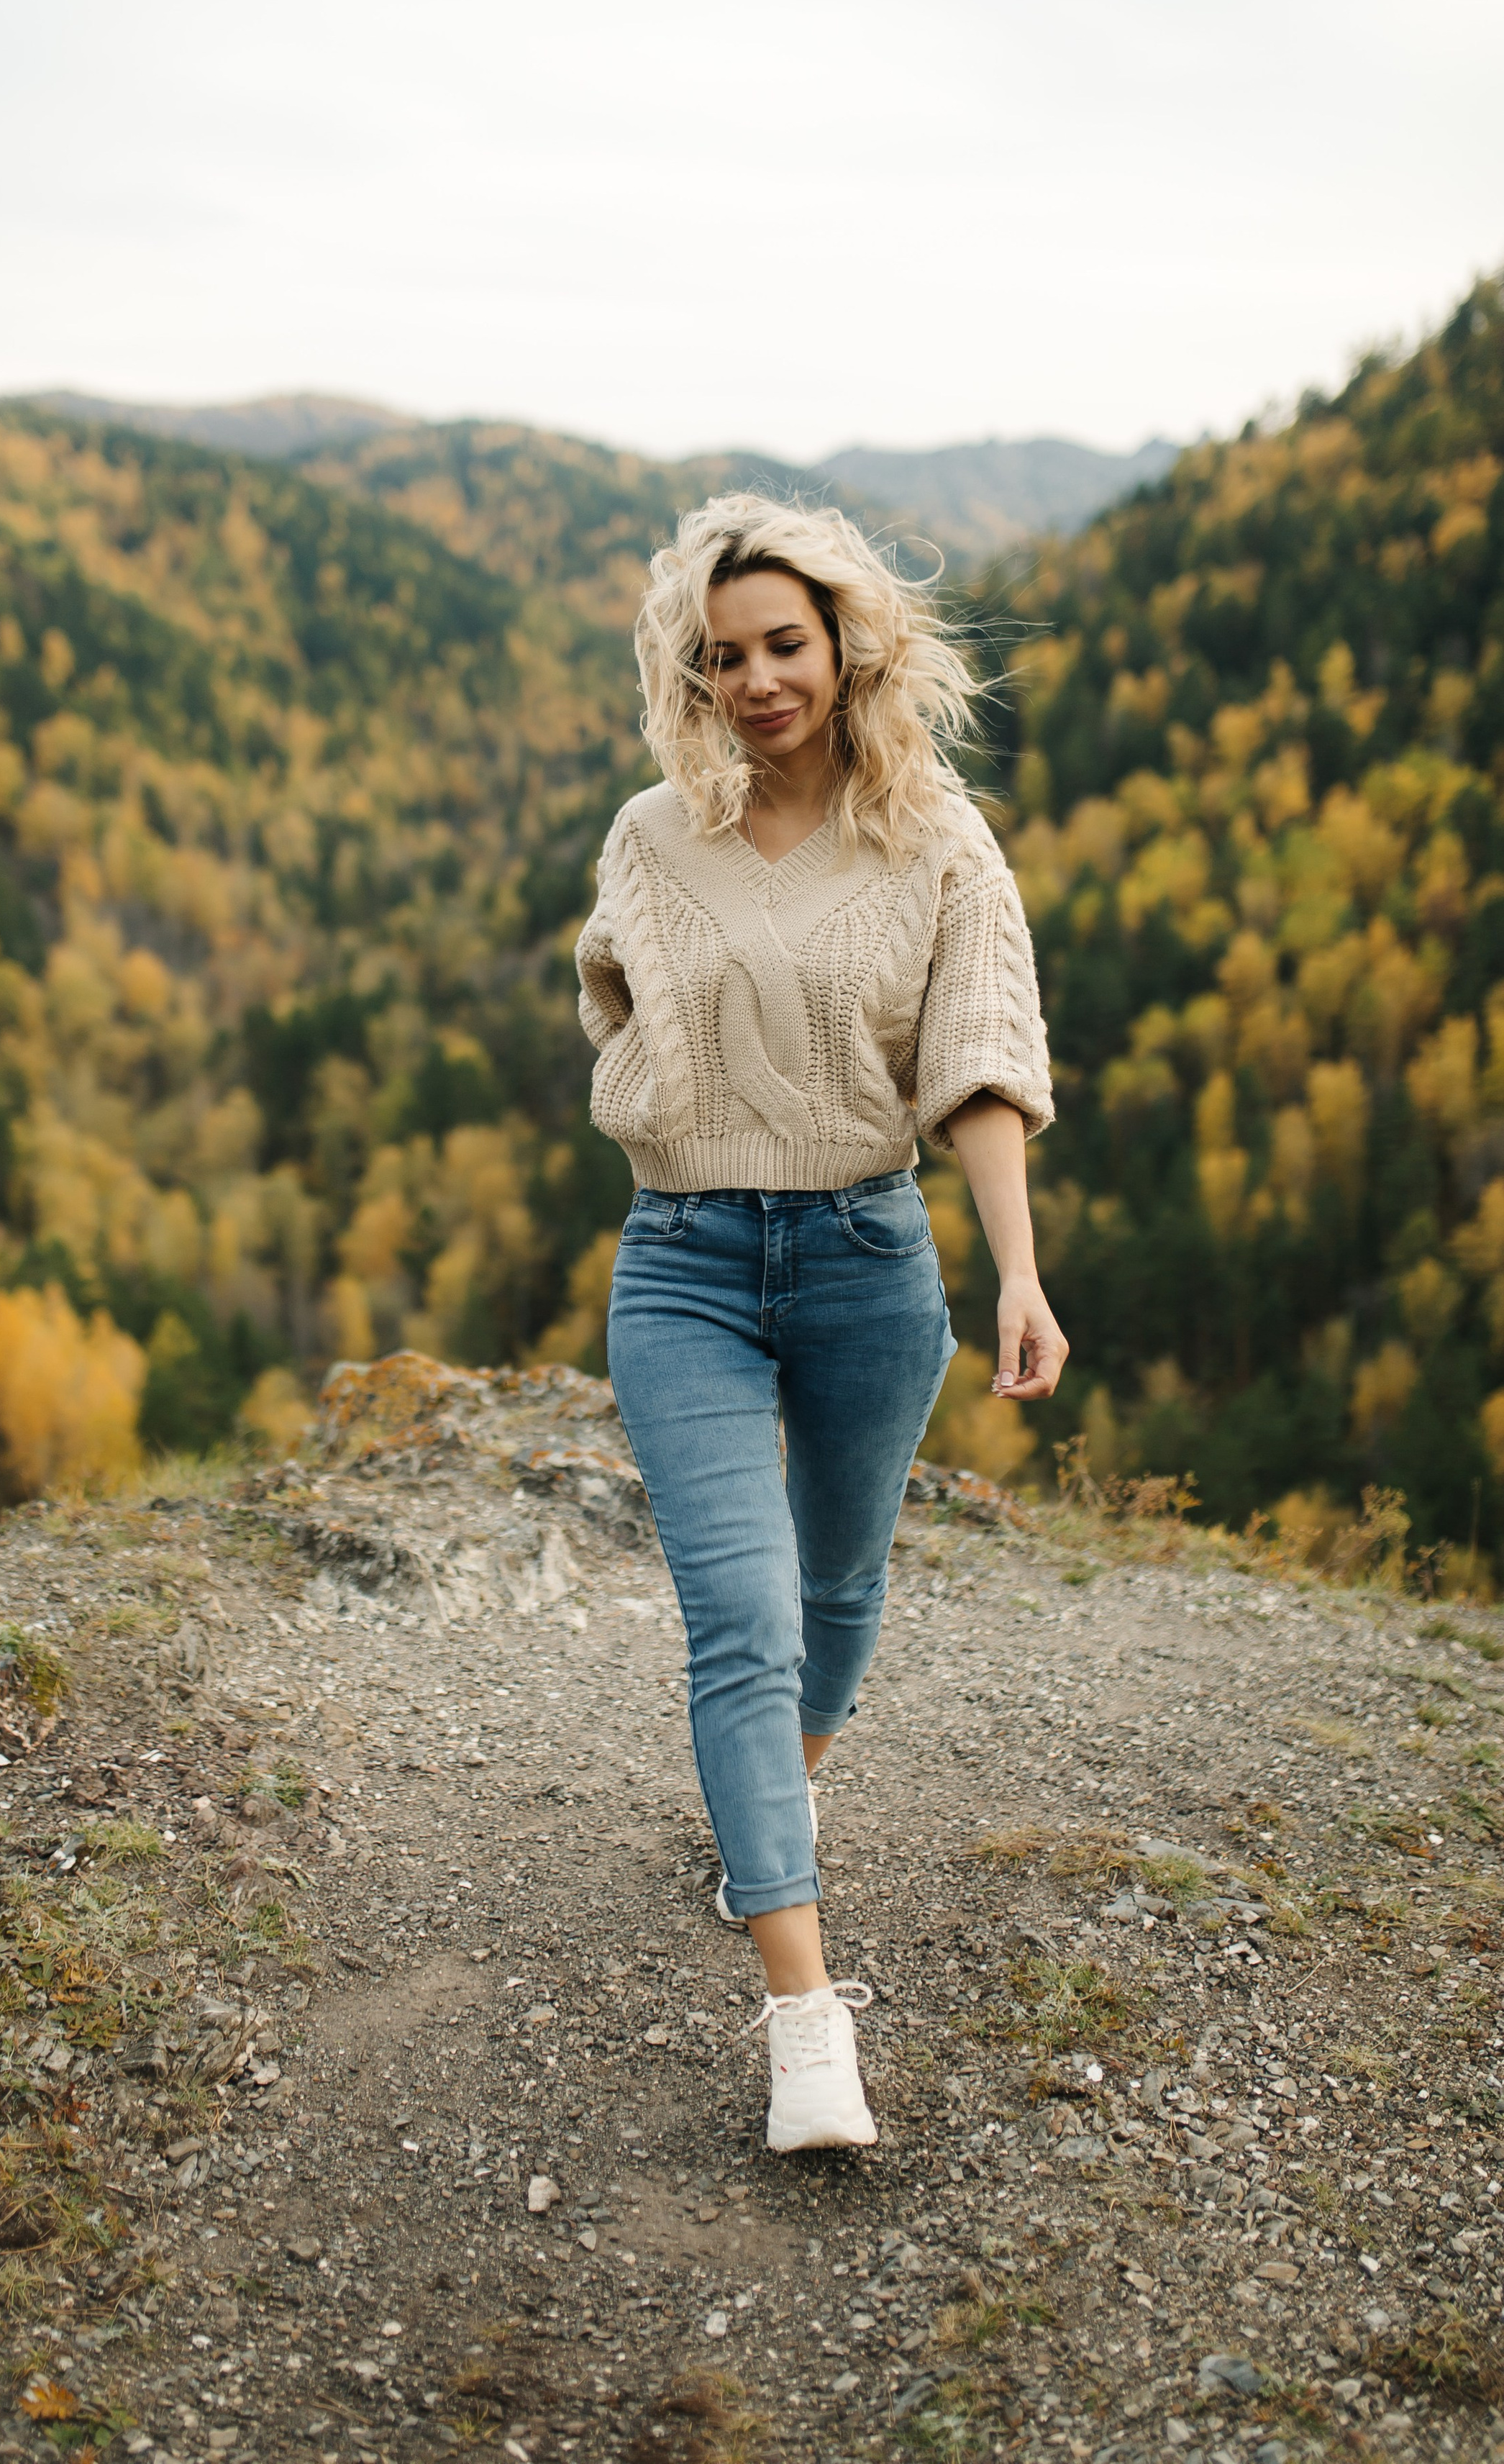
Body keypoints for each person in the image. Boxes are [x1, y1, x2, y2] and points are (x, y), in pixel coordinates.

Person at [575, 493, 1067, 2152]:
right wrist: (678, 1093)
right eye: (721, 657)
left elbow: (980, 1059)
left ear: (846, 642)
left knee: (839, 1584)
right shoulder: (650, 835)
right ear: (689, 674)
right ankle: (803, 2018)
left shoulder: (936, 841)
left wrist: (1012, 1269)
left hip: (868, 1256)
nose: (758, 680)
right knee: (744, 1616)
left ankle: (771, 1794)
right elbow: (611, 992)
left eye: (782, 644)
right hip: (683, 1265)